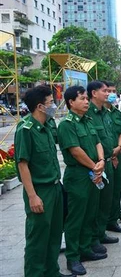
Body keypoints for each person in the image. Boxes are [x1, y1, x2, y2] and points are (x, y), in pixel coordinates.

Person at [14, 86, 73, 277]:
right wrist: (32, 196)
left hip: (55, 187)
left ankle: (52, 272)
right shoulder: (26, 129)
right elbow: (23, 165)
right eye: (50, 103)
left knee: (54, 234)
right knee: (38, 238)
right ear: (40, 106)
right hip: (40, 190)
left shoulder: (47, 126)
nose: (54, 106)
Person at [58, 86, 107, 275]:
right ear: (71, 102)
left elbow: (97, 142)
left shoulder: (87, 120)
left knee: (90, 213)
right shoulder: (66, 124)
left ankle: (86, 248)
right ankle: (73, 257)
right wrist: (94, 166)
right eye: (82, 98)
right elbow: (75, 151)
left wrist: (101, 161)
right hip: (78, 175)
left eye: (87, 98)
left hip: (94, 172)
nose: (86, 101)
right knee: (76, 218)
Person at [86, 81, 118, 252]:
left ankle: (101, 232)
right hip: (95, 165)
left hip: (108, 160)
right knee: (95, 203)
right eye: (104, 91)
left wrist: (113, 155)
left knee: (106, 199)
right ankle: (92, 239)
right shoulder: (88, 112)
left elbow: (109, 135)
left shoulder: (105, 112)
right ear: (94, 93)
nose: (108, 94)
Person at [103, 81, 121, 232]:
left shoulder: (116, 112)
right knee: (107, 190)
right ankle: (108, 219)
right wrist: (110, 153)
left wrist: (119, 148)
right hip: (105, 157)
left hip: (117, 153)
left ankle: (115, 216)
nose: (110, 94)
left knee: (116, 187)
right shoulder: (97, 113)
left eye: (113, 90)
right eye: (107, 90)